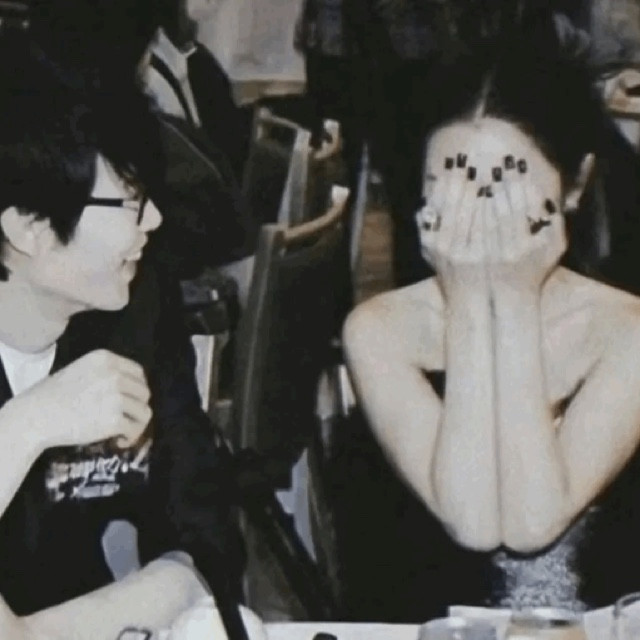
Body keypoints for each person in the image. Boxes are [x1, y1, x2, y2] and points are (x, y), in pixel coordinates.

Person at [343, 1, 640, 616]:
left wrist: (516, 298)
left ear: (574, 186)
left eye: (506, 185)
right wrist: (475, 304)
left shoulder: (626, 331)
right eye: (451, 184)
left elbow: (533, 521)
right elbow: (474, 522)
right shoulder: (380, 330)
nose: (479, 213)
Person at [0, 16, 243, 640]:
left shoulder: (134, 308)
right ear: (27, 226)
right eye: (131, 200)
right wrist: (27, 425)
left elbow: (207, 532)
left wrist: (178, 580)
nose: (154, 220)